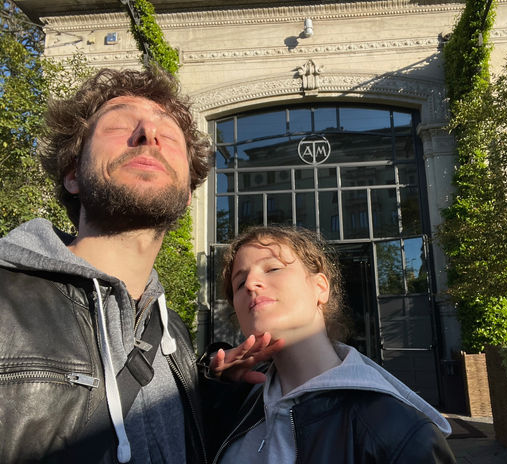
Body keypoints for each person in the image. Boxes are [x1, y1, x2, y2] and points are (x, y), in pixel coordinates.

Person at [0, 66, 279, 464]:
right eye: (119, 125)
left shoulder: (172, 334)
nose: (149, 134)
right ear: (73, 175)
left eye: (169, 134)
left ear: (187, 193)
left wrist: (212, 393)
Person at [207, 225, 456, 463]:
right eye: (240, 283)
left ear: (320, 288)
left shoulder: (400, 434)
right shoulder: (235, 399)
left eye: (272, 268)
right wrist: (213, 381)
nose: (251, 284)